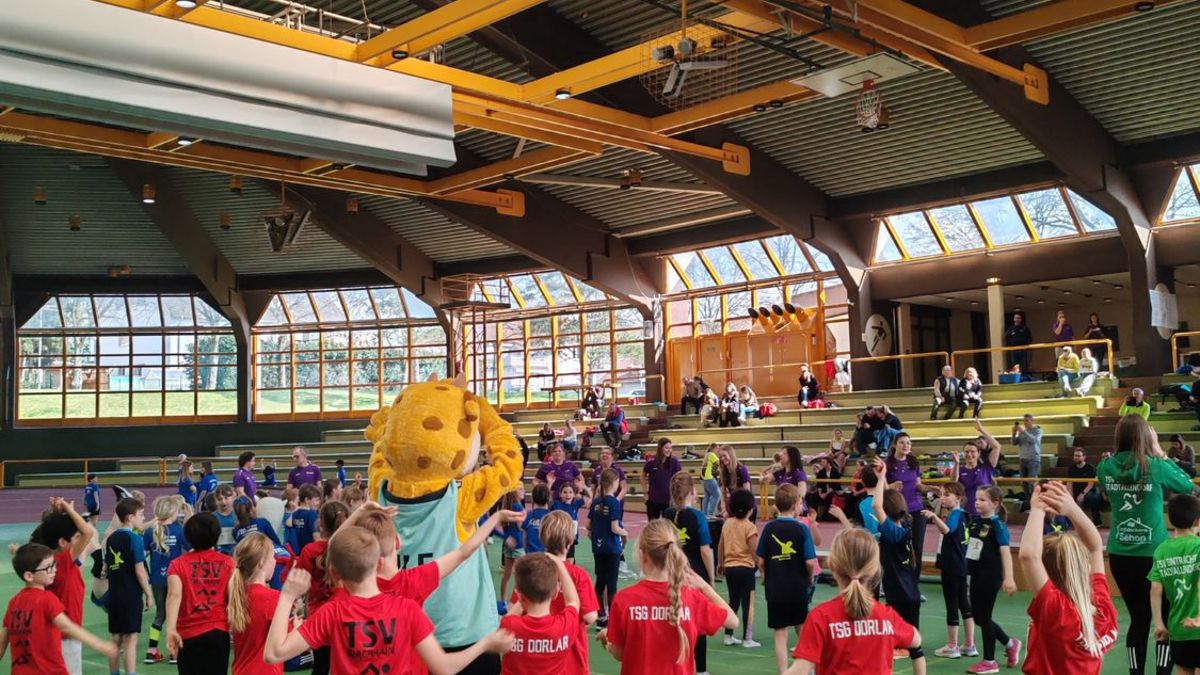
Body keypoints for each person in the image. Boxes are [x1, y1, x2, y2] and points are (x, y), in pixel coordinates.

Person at [263, 527, 514, 673]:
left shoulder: (332, 612)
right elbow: (444, 667)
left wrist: (287, 596)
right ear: (379, 563)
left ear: (335, 574)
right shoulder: (407, 609)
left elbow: (274, 654)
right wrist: (485, 643)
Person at [1098, 414, 1195, 675]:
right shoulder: (1156, 465)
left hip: (1120, 554)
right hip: (1155, 554)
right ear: (1145, 437)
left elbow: (1108, 483)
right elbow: (1186, 484)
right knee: (1164, 618)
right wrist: (1160, 452)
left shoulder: (1105, 466)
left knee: (1138, 618)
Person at [597, 519, 738, 675]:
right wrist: (704, 587)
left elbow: (621, 654)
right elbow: (732, 621)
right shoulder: (691, 596)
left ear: (643, 555)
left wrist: (607, 641)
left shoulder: (625, 599)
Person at [783, 529, 921, 675]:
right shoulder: (887, 617)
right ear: (874, 570)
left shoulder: (821, 617)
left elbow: (800, 670)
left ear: (832, 566)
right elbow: (916, 640)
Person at [1020, 482, 1118, 675]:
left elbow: (1029, 556)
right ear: (1084, 567)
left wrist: (1037, 509)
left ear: (1046, 573)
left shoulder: (1058, 610)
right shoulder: (1103, 607)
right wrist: (1072, 509)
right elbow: (1095, 547)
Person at [1, 543, 118, 673]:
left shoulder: (14, 602)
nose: (54, 570)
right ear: (29, 576)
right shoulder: (47, 599)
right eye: (48, 568)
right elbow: (66, 626)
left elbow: (3, 640)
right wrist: (99, 644)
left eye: (54, 565)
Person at [867, 459, 927, 675]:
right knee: (914, 645)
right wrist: (882, 479)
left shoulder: (893, 532)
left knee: (906, 644)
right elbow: (886, 502)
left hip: (901, 593)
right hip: (907, 590)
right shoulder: (905, 523)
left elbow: (876, 505)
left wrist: (882, 478)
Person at [758, 484, 818, 673]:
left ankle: (783, 671)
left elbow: (760, 560)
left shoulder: (769, 528)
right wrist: (809, 578)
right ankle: (807, 670)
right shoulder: (801, 529)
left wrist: (765, 576)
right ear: (795, 505)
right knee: (802, 630)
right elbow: (810, 561)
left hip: (775, 588)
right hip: (797, 586)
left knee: (780, 633)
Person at [163, 512, 233, 673]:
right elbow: (233, 598)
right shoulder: (228, 563)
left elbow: (174, 595)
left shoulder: (177, 564)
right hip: (218, 631)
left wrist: (171, 629)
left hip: (189, 633)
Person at [663, 472, 717, 675]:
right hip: (695, 573)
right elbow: (705, 550)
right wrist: (711, 578)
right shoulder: (697, 516)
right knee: (697, 621)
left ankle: (675, 664)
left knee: (675, 617)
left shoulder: (667, 514)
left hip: (673, 572)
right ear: (693, 491)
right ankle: (700, 668)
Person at [501, 553, 584, 675]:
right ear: (555, 592)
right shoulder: (564, 626)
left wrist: (522, 596)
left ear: (520, 596)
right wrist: (561, 566)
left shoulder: (509, 625)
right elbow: (573, 601)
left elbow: (507, 620)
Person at [967, 486, 1020, 674]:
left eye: (982, 500)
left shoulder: (998, 525)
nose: (977, 502)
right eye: (976, 499)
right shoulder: (974, 522)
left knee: (984, 617)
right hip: (975, 574)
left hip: (990, 576)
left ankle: (989, 661)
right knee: (978, 616)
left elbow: (1006, 552)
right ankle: (1010, 643)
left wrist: (1009, 578)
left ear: (995, 504)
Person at [295, 501, 349, 675]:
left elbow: (299, 585)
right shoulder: (350, 549)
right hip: (346, 613)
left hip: (319, 616)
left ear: (321, 524)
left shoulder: (310, 550)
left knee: (321, 664)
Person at [922, 482, 975, 660]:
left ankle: (952, 645)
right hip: (962, 564)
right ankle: (969, 644)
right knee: (964, 603)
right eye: (941, 495)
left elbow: (946, 530)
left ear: (958, 498)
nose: (942, 498)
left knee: (952, 603)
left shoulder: (955, 515)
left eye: (946, 495)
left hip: (952, 565)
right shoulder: (965, 515)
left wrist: (933, 517)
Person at [1152, 494, 1200, 675]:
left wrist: (1159, 624)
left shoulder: (1161, 550)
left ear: (1170, 520)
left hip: (1179, 628)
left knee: (1183, 669)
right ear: (1197, 520)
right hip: (1197, 626)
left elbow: (1155, 589)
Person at [105, 497, 153, 675]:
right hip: (130, 593)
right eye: (141, 514)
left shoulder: (111, 538)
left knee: (116, 637)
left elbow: (107, 566)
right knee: (131, 638)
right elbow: (139, 570)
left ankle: (114, 672)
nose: (143, 518)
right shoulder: (135, 538)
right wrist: (148, 593)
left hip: (114, 592)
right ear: (130, 517)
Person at [227, 533, 286, 675]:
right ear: (261, 562)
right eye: (273, 556)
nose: (275, 561)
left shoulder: (238, 594)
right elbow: (284, 643)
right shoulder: (272, 598)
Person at [143, 496, 188, 665]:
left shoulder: (150, 532)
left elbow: (142, 555)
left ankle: (151, 650)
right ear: (172, 512)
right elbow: (190, 549)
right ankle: (175, 652)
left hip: (156, 579)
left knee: (160, 614)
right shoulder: (179, 530)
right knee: (177, 614)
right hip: (175, 578)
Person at [718, 489, 760, 649]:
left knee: (733, 601)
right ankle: (747, 638)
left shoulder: (727, 523)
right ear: (750, 509)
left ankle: (728, 635)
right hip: (746, 568)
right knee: (748, 604)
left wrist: (720, 563)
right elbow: (754, 551)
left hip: (730, 568)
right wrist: (761, 567)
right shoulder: (750, 527)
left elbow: (721, 545)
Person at [588, 469, 628, 628]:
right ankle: (613, 618)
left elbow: (588, 526)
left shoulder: (596, 502)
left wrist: (597, 537)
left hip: (598, 548)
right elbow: (614, 527)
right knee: (612, 583)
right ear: (614, 483)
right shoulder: (614, 503)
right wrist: (625, 533)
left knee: (600, 581)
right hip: (612, 549)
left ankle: (601, 616)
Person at [885, 434, 931, 566]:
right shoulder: (887, 463)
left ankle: (914, 576)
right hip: (897, 510)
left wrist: (932, 488)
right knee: (899, 545)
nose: (905, 445)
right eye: (902, 442)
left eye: (908, 443)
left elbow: (918, 485)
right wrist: (891, 486)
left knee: (917, 546)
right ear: (895, 445)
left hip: (917, 509)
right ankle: (899, 574)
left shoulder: (913, 461)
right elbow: (880, 488)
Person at [952, 419, 1002, 516]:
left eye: (973, 451)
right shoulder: (960, 469)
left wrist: (982, 430)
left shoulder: (986, 467)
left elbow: (997, 447)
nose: (969, 454)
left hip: (985, 513)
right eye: (967, 452)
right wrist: (956, 464)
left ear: (978, 453)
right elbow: (953, 482)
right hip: (966, 512)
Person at [498, 488, 525, 612]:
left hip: (507, 545)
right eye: (520, 489)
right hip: (518, 544)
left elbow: (503, 526)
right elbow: (520, 526)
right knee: (522, 576)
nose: (523, 491)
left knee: (507, 575)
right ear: (514, 492)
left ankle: (503, 601)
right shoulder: (518, 507)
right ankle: (517, 603)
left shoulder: (506, 506)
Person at [642, 438, 682, 520]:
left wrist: (677, 496)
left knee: (668, 524)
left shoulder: (674, 462)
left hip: (669, 500)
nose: (669, 450)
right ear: (660, 448)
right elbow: (642, 475)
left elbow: (680, 478)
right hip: (653, 499)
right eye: (666, 448)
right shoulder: (651, 462)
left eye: (670, 448)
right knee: (653, 524)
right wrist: (645, 492)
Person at [1065, 448, 1104, 526]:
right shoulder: (1071, 468)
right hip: (1075, 491)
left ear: (1084, 457)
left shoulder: (1090, 468)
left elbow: (1090, 484)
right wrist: (1070, 495)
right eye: (1075, 455)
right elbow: (1069, 483)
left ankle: (1097, 522)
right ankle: (1067, 523)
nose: (1076, 457)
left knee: (1094, 498)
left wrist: (1082, 494)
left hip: (1088, 492)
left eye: (1078, 456)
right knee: (1066, 498)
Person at [1013, 414, 1044, 506]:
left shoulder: (1037, 430)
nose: (1025, 422)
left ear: (1032, 421)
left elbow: (1033, 441)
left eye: (1027, 420)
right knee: (1023, 483)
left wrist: (1024, 432)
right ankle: (1030, 502)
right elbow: (1014, 443)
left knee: (1031, 482)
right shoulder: (1022, 432)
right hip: (1022, 459)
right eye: (1024, 420)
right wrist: (1014, 433)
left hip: (1033, 459)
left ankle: (1036, 502)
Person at [550, 484, 586, 562]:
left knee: (570, 561)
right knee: (559, 561)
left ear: (574, 494)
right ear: (560, 494)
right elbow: (547, 500)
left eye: (570, 492)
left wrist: (583, 487)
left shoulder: (575, 505)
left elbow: (589, 497)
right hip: (559, 538)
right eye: (565, 492)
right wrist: (550, 484)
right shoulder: (556, 504)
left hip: (571, 539)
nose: (568, 495)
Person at [718, 445, 753, 519]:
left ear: (731, 455)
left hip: (745, 507)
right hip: (733, 506)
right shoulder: (724, 472)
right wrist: (724, 510)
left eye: (724, 456)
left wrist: (745, 515)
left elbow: (747, 493)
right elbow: (723, 493)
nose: (722, 458)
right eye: (720, 456)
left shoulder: (742, 469)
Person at [286, 484, 321, 554]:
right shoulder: (312, 514)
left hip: (298, 554)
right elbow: (317, 538)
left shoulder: (294, 514)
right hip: (310, 554)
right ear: (307, 500)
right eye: (316, 500)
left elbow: (288, 525)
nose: (318, 503)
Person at [808, 455, 842, 520]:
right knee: (814, 496)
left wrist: (825, 494)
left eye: (823, 462)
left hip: (833, 490)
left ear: (828, 463)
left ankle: (825, 516)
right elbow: (819, 485)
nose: (822, 463)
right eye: (821, 462)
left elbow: (836, 485)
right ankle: (815, 515)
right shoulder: (821, 472)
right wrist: (820, 494)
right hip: (823, 491)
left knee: (829, 496)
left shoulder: (835, 471)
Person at [522, 484, 551, 554]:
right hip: (547, 555)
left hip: (531, 555)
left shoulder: (527, 516)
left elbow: (524, 538)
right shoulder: (552, 517)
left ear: (533, 498)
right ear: (548, 498)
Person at [701, 444, 722, 517]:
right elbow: (720, 463)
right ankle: (711, 513)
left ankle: (705, 514)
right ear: (713, 448)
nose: (718, 450)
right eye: (717, 449)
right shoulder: (712, 455)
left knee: (707, 496)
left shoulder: (707, 454)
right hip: (709, 477)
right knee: (717, 495)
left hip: (703, 478)